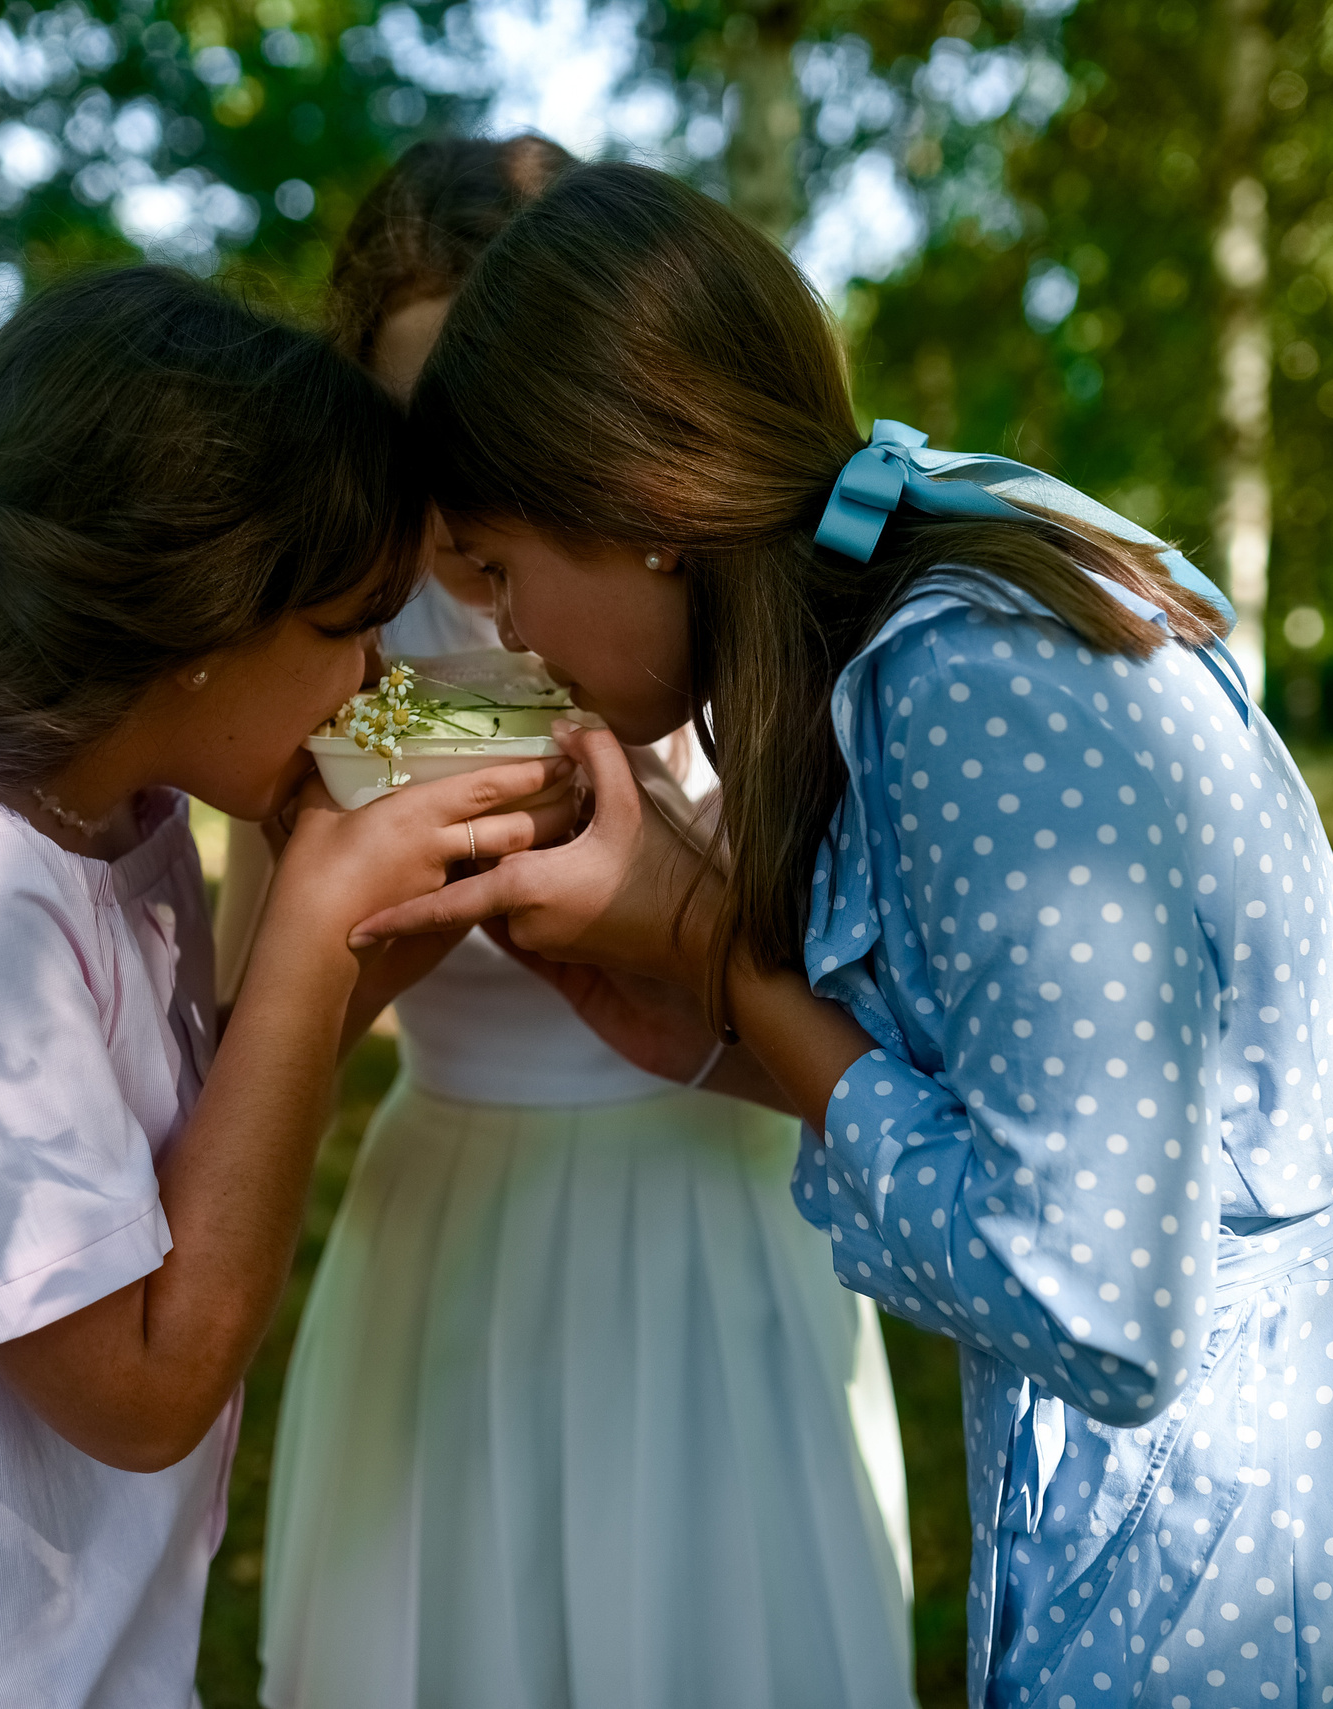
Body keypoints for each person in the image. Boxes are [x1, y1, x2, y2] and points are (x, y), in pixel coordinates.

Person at [354, 161, 1333, 1709]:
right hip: (1249, 1490)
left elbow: (1098, 1305)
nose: (498, 628)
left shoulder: (967, 680)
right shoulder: (932, 542)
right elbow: (1036, 1104)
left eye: (501, 568)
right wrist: (714, 1019)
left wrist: (725, 963)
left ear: (641, 509)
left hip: (1229, 1551)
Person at [0, 265, 574, 1709]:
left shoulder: (114, 830)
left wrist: (395, 915)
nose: (380, 679)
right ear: (199, 624)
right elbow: (145, 1383)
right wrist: (314, 930)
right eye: (348, 629)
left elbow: (186, 1172)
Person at [248, 137, 917, 1709]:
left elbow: (890, 1028)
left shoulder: (742, 618)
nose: (491, 515)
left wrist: (677, 907)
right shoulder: (348, 645)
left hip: (722, 1225)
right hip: (455, 1236)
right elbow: (248, 1049)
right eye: (439, 445)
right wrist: (362, 895)